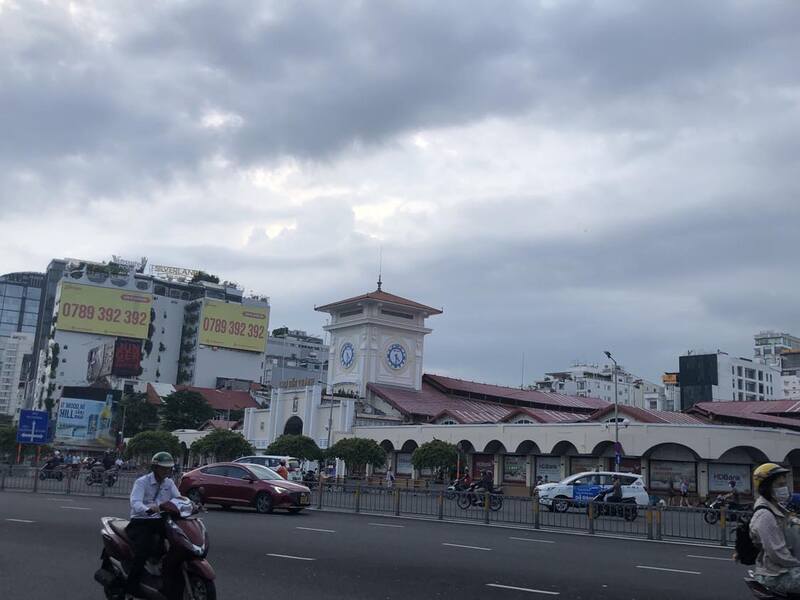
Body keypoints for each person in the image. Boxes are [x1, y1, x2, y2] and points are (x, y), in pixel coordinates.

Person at [126, 452, 181, 600]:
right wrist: (148, 509)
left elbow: (178, 499)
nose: (167, 471)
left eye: (169, 468)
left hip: (161, 520)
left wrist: (191, 504)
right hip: (141, 520)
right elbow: (135, 502)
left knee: (178, 542)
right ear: (155, 468)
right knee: (143, 550)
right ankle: (131, 587)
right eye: (164, 468)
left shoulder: (169, 483)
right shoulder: (142, 482)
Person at [749, 463, 800, 596]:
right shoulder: (765, 515)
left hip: (787, 570)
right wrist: (798, 564)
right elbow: (777, 552)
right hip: (777, 575)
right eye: (779, 485)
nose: (784, 488)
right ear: (766, 487)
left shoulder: (778, 508)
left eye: (784, 484)